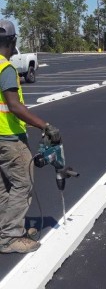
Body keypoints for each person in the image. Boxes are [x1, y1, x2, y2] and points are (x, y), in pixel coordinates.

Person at [0, 19, 61, 254]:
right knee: (22, 185)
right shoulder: (6, 69)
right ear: (12, 41)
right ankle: (10, 237)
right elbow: (14, 107)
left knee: (5, 187)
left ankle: (5, 230)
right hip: (9, 137)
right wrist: (45, 125)